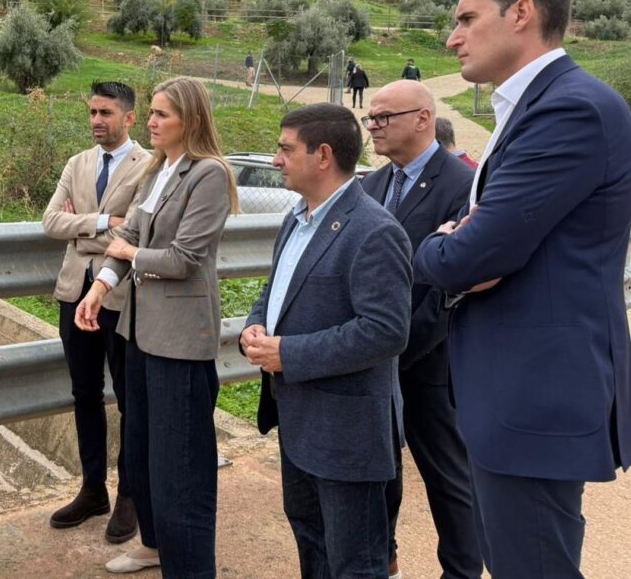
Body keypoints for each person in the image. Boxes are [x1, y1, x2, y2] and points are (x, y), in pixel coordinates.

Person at [415, 0, 631, 578]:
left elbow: (470, 255)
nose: (452, 38)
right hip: (517, 388)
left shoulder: (570, 109)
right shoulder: (540, 104)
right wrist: (466, 243)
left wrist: (436, 244)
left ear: (521, 13)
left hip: (535, 395)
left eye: (466, 19)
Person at [241, 102, 412, 579]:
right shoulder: (296, 218)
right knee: (312, 548)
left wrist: (288, 353)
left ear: (322, 155)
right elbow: (277, 291)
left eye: (285, 149)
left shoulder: (375, 230)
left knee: (355, 562)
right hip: (300, 423)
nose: (275, 159)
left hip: (347, 434)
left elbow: (385, 331)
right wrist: (256, 324)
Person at [75, 76, 237, 577]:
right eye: (151, 113)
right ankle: (154, 544)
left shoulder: (208, 174)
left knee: (181, 464)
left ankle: (190, 566)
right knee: (143, 450)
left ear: (191, 119)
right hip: (140, 332)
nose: (150, 121)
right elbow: (127, 233)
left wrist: (129, 253)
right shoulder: (157, 169)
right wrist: (100, 288)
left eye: (162, 114)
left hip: (180, 340)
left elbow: (184, 258)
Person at [361, 82, 481, 579]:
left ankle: (461, 571)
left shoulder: (462, 185)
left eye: (384, 117)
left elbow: (455, 281)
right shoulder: (371, 184)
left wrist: (397, 346)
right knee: (378, 470)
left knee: (447, 478)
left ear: (423, 118)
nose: (373, 127)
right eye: (370, 118)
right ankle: (382, 560)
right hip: (373, 358)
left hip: (431, 359)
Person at [43, 81, 151, 543]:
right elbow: (51, 222)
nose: (96, 121)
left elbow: (139, 234)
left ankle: (129, 494)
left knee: (129, 398)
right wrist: (106, 222)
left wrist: (81, 231)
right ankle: (93, 489)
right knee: (84, 392)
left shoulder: (149, 166)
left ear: (129, 117)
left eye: (105, 113)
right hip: (75, 293)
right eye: (92, 112)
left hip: (121, 297)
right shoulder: (78, 163)